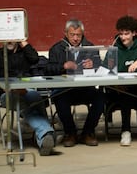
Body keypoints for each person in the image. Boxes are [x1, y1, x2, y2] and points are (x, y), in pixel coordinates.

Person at [0, 41, 55, 156]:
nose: (9, 40)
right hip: (6, 94)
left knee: (36, 96)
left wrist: (23, 41)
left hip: (27, 90)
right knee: (22, 103)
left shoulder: (24, 54)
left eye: (13, 37)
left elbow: (35, 59)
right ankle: (46, 132)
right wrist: (9, 88)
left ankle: (43, 138)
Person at [45, 19, 104, 147]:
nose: (76, 38)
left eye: (79, 35)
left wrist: (94, 64)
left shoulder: (90, 47)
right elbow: (48, 69)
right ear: (66, 33)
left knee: (100, 97)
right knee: (59, 97)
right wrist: (63, 66)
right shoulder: (56, 49)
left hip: (85, 88)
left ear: (83, 34)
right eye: (72, 35)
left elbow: (101, 65)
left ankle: (88, 132)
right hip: (65, 89)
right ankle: (70, 132)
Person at [103, 15, 137, 146]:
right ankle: (125, 131)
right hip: (118, 90)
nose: (123, 37)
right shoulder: (114, 49)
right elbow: (104, 72)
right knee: (125, 99)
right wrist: (115, 85)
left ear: (134, 33)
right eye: (121, 34)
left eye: (126, 34)